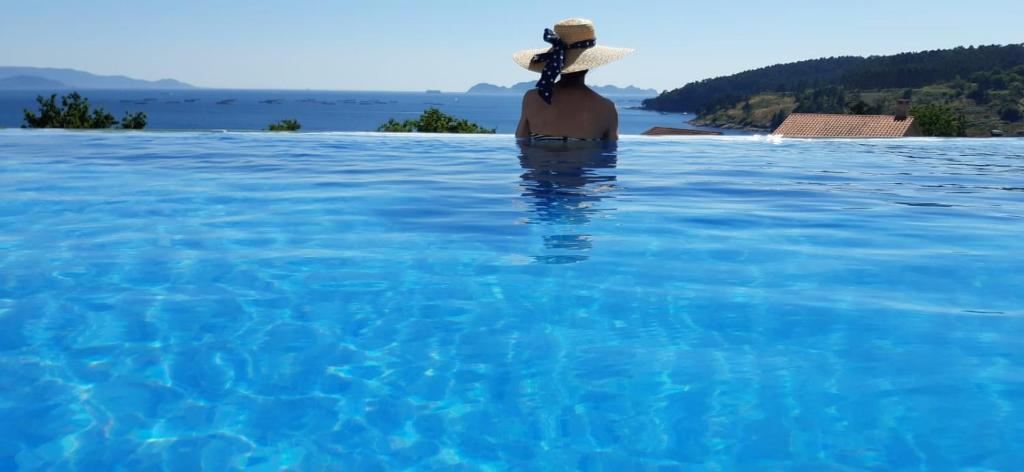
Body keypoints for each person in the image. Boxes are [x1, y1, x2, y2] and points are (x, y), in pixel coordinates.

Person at [513, 18, 634, 142]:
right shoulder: (606, 108)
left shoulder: (532, 98)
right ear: (589, 64)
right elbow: (610, 155)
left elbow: (521, 142)